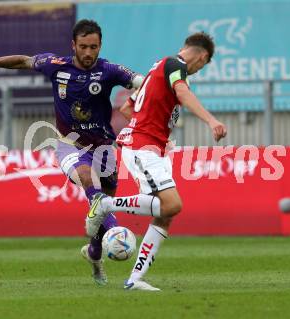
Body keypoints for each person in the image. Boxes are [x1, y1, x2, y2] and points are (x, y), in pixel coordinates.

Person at [0, 19, 144, 286]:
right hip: (70, 144)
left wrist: (145, 96)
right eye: (83, 46)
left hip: (104, 149)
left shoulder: (109, 70)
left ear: (100, 45)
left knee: (99, 219)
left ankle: (94, 254)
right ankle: (116, 231)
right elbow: (23, 61)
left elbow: (141, 82)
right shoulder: (56, 66)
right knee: (86, 178)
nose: (89, 52)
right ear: (74, 45)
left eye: (93, 47)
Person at [85, 32, 227, 291]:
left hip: (151, 146)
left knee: (165, 214)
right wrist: (211, 120)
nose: (196, 71)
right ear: (203, 57)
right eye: (201, 67)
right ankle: (105, 204)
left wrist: (159, 134)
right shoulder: (176, 65)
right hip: (143, 147)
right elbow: (182, 92)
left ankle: (135, 280)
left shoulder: (156, 71)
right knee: (172, 204)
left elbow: (128, 109)